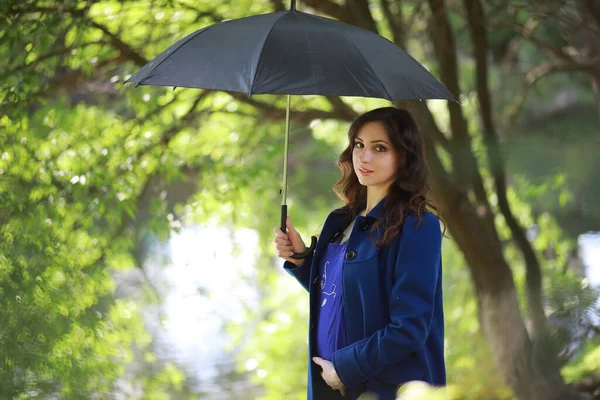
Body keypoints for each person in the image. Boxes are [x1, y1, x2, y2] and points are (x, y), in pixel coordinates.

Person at [273, 107, 445, 400]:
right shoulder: (342, 219)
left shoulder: (417, 225)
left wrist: (343, 368)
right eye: (359, 145)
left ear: (404, 157)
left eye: (379, 148)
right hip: (326, 386)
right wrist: (301, 259)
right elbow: (340, 295)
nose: (364, 157)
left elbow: (409, 329)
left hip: (386, 388)